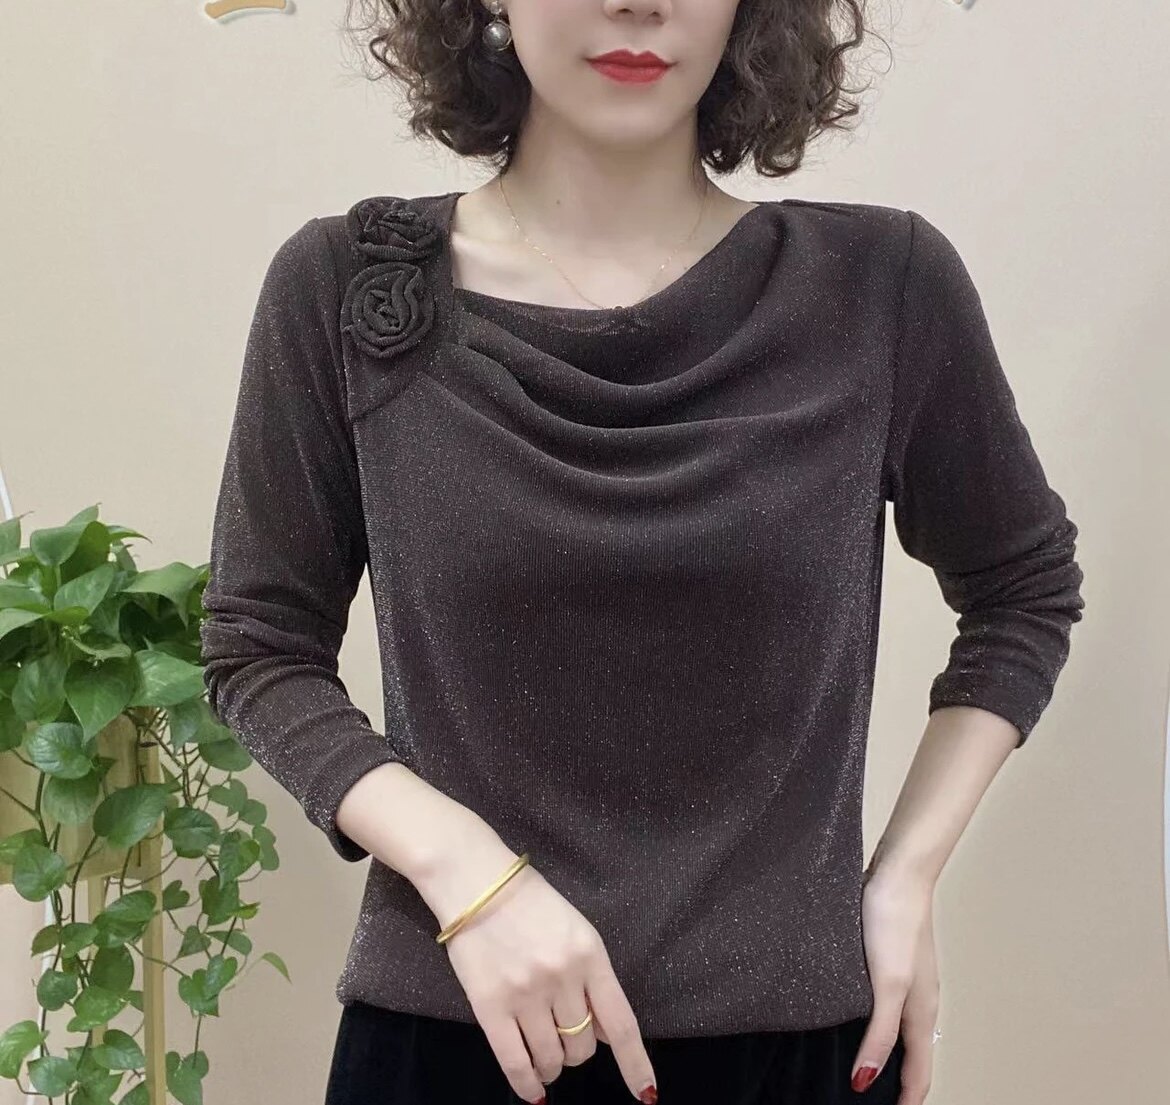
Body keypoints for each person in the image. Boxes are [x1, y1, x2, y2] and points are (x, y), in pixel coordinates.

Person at [199, 1, 1086, 1103]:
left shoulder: (880, 284)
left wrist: (903, 875)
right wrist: (467, 871)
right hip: (456, 1037)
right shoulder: (339, 287)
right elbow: (259, 646)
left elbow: (1022, 588)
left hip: (791, 1052)